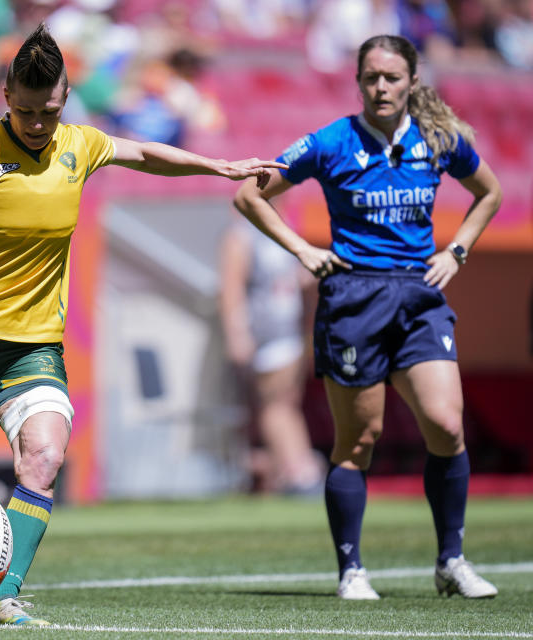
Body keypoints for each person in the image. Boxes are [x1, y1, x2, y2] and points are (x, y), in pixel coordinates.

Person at [0, 23, 284, 626]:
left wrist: (217, 165)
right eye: (25, 112)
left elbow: (146, 153)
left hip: (34, 346)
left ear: (65, 99)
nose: (38, 124)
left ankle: (5, 598)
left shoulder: (81, 144)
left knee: (43, 460)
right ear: (5, 96)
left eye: (48, 111)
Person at [234, 34, 502, 600]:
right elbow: (250, 197)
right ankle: (351, 569)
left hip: (419, 295)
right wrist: (303, 250)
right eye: (371, 77)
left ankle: (451, 560)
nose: (381, 87)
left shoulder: (439, 139)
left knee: (447, 425)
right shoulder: (331, 141)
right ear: (358, 82)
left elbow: (489, 193)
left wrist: (456, 252)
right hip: (353, 300)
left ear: (411, 82)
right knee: (359, 441)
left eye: (392, 77)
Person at [218, 219, 325, 495]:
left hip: (288, 332)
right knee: (274, 403)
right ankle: (294, 471)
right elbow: (231, 288)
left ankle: (297, 467)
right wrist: (237, 334)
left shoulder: (283, 229)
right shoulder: (241, 235)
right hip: (264, 335)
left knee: (286, 402)